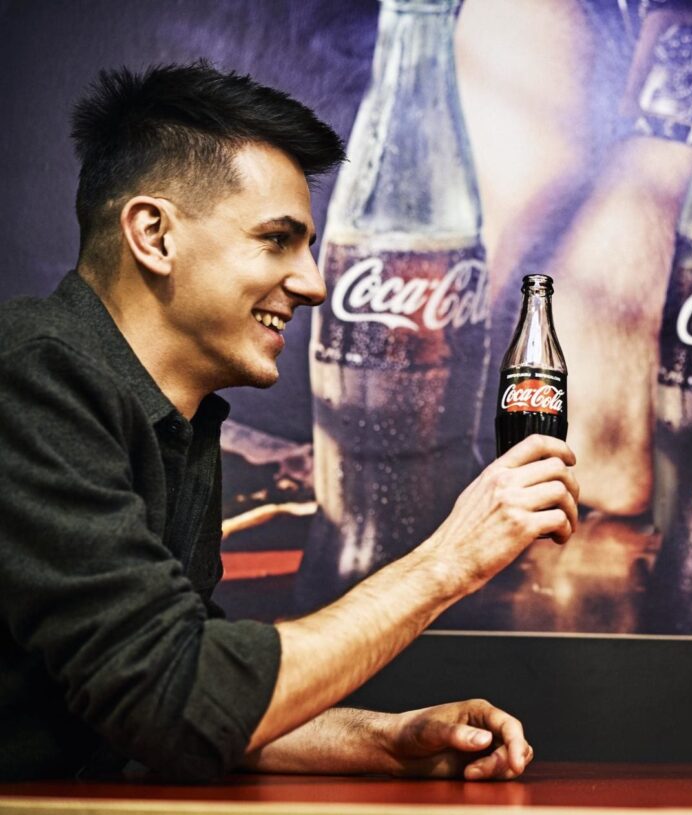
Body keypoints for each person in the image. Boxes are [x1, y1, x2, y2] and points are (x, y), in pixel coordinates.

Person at [0, 62, 580, 782]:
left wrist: (382, 738)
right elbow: (176, 699)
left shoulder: (176, 421)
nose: (313, 284)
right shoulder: (32, 377)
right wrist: (450, 558)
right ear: (154, 234)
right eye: (277, 240)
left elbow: (182, 688)